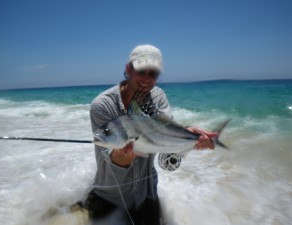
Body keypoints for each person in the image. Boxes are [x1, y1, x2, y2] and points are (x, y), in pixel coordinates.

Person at [84, 44, 215, 225]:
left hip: (146, 195)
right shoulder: (102, 105)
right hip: (109, 197)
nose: (146, 78)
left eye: (152, 73)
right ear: (128, 69)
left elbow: (167, 162)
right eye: (141, 70)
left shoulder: (158, 97)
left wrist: (188, 140)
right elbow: (105, 153)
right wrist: (121, 158)